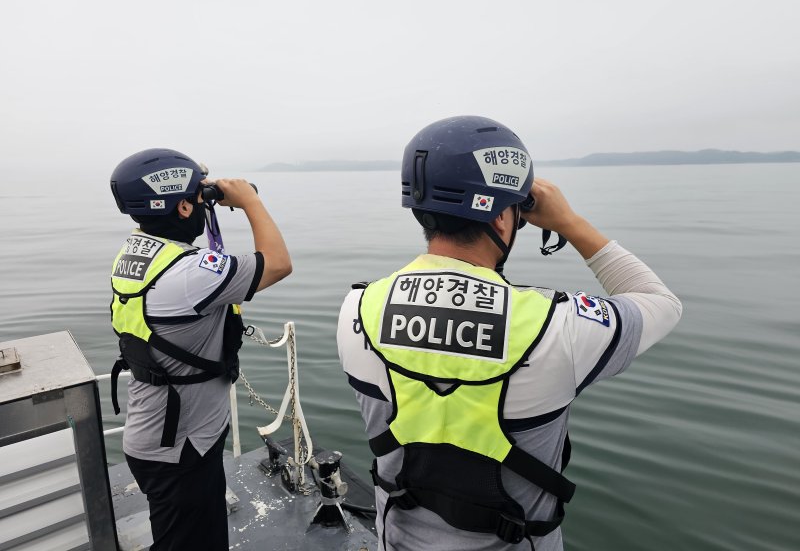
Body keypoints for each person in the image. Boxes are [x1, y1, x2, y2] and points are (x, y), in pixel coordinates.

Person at [336, 116, 682, 551]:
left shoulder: (356, 309)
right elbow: (660, 303)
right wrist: (570, 223)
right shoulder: (558, 325)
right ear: (503, 216)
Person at [108, 148, 291, 550]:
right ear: (185, 206)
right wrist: (249, 202)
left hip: (157, 434)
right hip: (181, 448)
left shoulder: (137, 253)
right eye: (195, 196)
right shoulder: (188, 273)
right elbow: (277, 263)